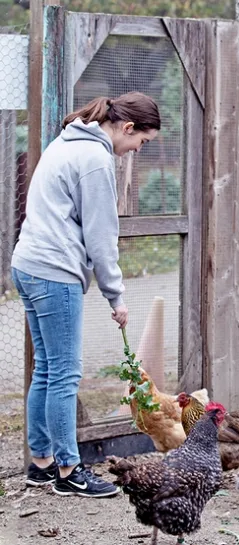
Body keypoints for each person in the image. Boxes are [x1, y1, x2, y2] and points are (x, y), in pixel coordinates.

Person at [12, 91, 161, 498]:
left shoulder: (67, 140)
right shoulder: (96, 160)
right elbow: (100, 238)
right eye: (140, 143)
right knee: (63, 373)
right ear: (127, 127)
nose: (135, 151)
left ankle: (41, 464)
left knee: (46, 368)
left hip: (28, 263)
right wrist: (117, 296)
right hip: (54, 272)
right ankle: (68, 469)